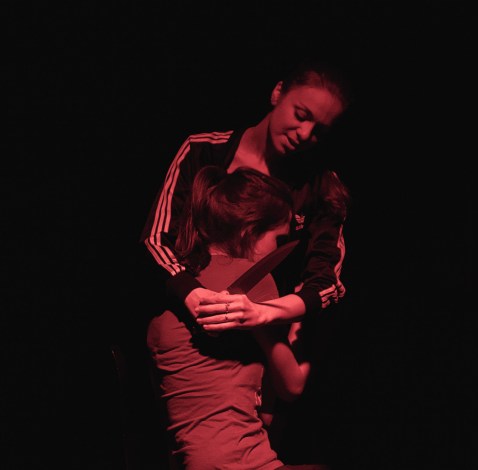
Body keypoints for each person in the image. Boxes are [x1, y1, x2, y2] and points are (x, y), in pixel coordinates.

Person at [141, 60, 352, 469]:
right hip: (194, 328)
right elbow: (156, 238)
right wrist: (194, 295)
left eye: (319, 131)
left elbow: (326, 283)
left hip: (271, 333)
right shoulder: (205, 150)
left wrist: (264, 314)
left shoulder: (319, 185)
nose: (304, 134)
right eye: (301, 114)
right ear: (277, 93)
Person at [147, 165, 317, 469]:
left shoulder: (174, 286)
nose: (278, 251)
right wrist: (300, 323)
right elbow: (291, 386)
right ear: (248, 232)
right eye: (278, 239)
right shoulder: (254, 282)